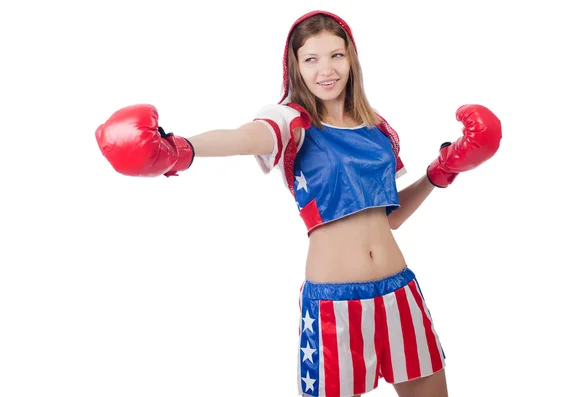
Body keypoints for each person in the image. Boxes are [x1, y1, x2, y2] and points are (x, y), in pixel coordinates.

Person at [95, 10, 502, 397]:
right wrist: (179, 149)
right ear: (296, 66)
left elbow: (388, 218)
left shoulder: (377, 128)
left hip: (399, 290)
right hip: (334, 303)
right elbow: (244, 138)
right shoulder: (291, 120)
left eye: (336, 55)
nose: (326, 69)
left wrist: (442, 170)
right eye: (312, 59)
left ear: (351, 58)